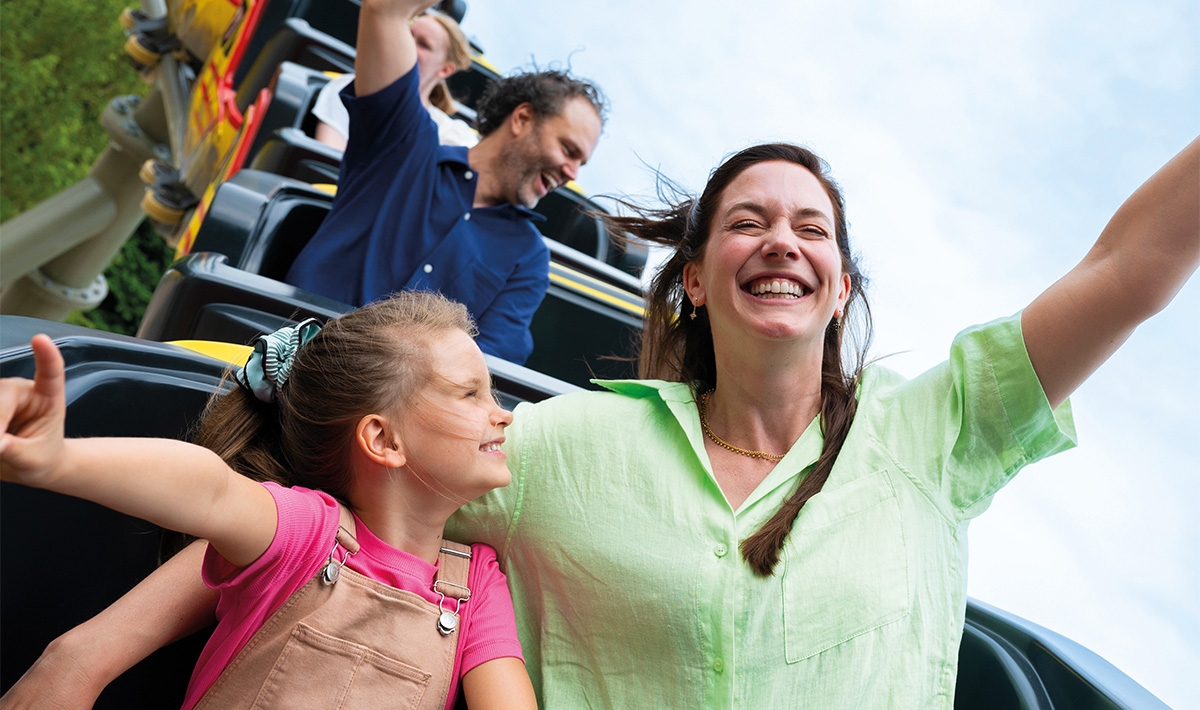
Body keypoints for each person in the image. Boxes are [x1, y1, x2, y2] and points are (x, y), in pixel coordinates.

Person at [7, 137, 1196, 707]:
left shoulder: (944, 427)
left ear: (840, 284)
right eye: (745, 222)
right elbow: (351, 512)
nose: (782, 240)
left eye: (813, 228)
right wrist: (87, 634)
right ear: (691, 277)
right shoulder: (571, 449)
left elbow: (1134, 263)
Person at [0, 294, 535, 710]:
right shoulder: (310, 532)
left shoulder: (478, 584)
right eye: (471, 393)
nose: (504, 413)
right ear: (384, 441)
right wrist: (59, 461)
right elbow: (208, 488)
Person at [285, 0, 605, 364]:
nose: (571, 173)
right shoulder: (404, 143)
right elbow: (384, 4)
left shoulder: (527, 258)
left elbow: (484, 370)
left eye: (581, 163)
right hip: (290, 367)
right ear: (523, 118)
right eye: (569, 150)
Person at [312, 11, 478, 152]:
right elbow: (328, 162)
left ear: (445, 70)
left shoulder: (454, 135)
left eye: (424, 45)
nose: (408, 45)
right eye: (408, 34)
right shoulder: (350, 90)